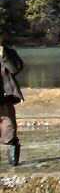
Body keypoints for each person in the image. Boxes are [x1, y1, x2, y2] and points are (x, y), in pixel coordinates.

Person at [0, 34, 24, 166]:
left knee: (9, 129)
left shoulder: (9, 53)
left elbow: (15, 69)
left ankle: (13, 164)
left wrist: (3, 55)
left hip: (5, 97)